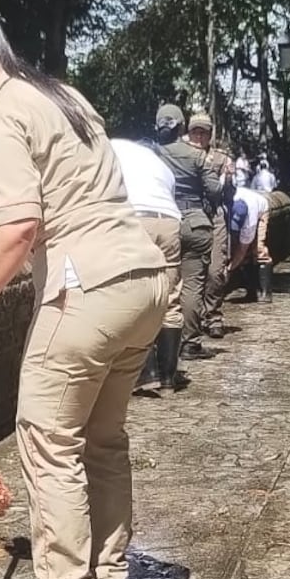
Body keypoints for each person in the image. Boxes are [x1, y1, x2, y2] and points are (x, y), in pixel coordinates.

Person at [0, 15, 168, 579]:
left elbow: (21, 227)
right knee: (103, 437)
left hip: (84, 285)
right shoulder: (60, 95)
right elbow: (64, 186)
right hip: (141, 276)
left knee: (46, 437)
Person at [110, 138, 184, 395]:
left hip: (136, 217)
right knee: (169, 296)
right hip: (170, 220)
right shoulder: (160, 164)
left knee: (134, 291)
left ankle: (146, 371)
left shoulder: (108, 147)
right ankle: (167, 378)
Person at [153, 106, 224, 360]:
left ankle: (156, 344)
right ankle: (190, 343)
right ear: (182, 127)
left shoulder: (153, 153)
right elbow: (215, 190)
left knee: (162, 283)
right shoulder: (196, 156)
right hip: (195, 222)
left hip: (163, 220)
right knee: (192, 286)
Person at [188, 114, 234, 340]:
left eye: (203, 132)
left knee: (216, 271)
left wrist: (229, 179)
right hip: (190, 214)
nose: (199, 136)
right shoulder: (182, 156)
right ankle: (192, 321)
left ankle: (213, 314)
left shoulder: (220, 159)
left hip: (214, 215)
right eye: (195, 131)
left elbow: (229, 196)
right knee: (190, 272)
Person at [225, 186, 274, 303]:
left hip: (261, 209)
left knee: (258, 248)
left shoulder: (250, 218)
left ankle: (265, 292)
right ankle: (251, 291)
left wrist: (229, 269)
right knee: (242, 253)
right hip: (243, 206)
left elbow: (242, 249)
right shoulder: (228, 204)